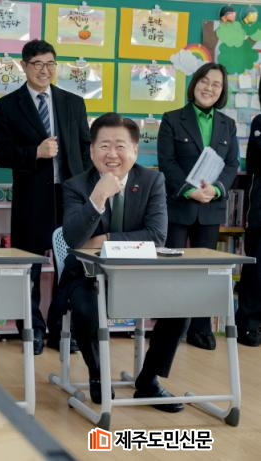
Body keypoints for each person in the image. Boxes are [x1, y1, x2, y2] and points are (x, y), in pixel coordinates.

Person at [60, 112, 185, 412]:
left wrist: (105, 240)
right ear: (92, 150)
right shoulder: (76, 186)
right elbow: (73, 239)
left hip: (139, 276)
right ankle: (97, 375)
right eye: (104, 146)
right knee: (86, 308)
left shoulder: (152, 180)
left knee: (182, 304)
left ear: (135, 150)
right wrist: (97, 199)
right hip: (87, 276)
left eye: (120, 146)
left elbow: (156, 236)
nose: (112, 154)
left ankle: (149, 379)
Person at [0, 39, 91, 355]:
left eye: (50, 64)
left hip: (70, 197)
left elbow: (85, 150)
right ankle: (31, 330)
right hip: (31, 198)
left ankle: (62, 330)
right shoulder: (7, 105)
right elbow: (0, 154)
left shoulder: (73, 103)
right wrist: (34, 152)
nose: (44, 70)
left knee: (70, 267)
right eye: (37, 64)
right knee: (29, 267)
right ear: (24, 66)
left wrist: (88, 190)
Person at [157, 62, 239, 351]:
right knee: (173, 270)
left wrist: (215, 190)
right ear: (194, 84)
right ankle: (169, 328)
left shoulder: (228, 124)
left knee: (207, 271)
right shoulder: (172, 119)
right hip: (179, 205)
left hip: (210, 207)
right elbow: (167, 162)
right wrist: (190, 191)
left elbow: (231, 165)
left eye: (216, 84)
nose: (209, 88)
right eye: (205, 81)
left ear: (222, 91)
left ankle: (200, 329)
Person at [236, 81, 261, 347]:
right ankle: (248, 325)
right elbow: (255, 164)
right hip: (260, 211)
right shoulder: (259, 122)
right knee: (256, 269)